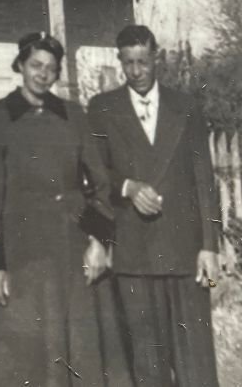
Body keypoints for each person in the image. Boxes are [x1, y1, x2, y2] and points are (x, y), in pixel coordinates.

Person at [0, 32, 128, 386]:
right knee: (25, 347)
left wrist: (98, 241)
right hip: (22, 251)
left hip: (72, 247)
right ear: (20, 66)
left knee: (81, 347)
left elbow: (101, 184)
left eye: (51, 68)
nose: (43, 74)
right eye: (35, 66)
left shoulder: (73, 115)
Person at [87, 25, 220, 386]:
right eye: (128, 62)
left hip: (184, 252)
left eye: (143, 61)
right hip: (133, 255)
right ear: (119, 61)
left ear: (156, 57)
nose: (136, 71)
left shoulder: (186, 107)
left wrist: (209, 246)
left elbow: (204, 180)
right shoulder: (103, 108)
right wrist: (127, 187)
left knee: (196, 361)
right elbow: (93, 173)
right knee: (147, 363)